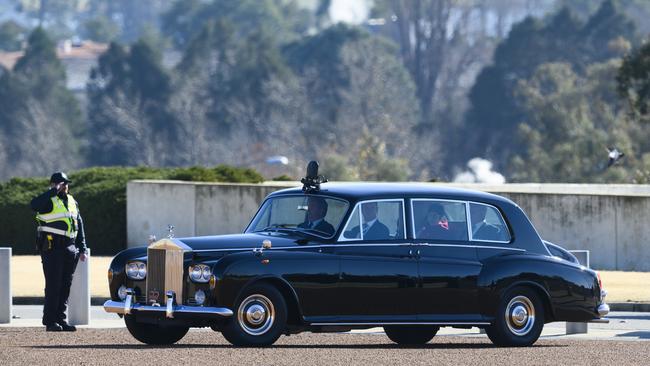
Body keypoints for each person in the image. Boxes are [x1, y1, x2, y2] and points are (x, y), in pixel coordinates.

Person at [31, 172, 87, 332]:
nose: (65, 186)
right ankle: (50, 321)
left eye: (66, 184)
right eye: (61, 184)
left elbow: (79, 224)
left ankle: (61, 319)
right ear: (54, 184)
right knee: (53, 285)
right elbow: (33, 205)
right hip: (52, 248)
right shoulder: (48, 201)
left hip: (70, 248)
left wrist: (82, 247)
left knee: (65, 285)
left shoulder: (71, 201)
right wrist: (52, 191)